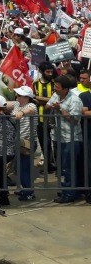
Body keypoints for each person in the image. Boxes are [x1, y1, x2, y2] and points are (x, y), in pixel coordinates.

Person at [46, 74, 83, 203]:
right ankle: (68, 190)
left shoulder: (75, 100)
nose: (55, 89)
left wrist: (60, 109)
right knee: (62, 167)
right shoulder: (56, 96)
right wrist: (51, 106)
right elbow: (47, 105)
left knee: (69, 167)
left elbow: (75, 120)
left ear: (65, 89)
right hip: (58, 137)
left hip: (71, 138)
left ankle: (70, 194)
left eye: (57, 87)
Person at [11, 86, 37, 201]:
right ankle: (25, 188)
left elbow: (30, 110)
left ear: (27, 97)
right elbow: (7, 105)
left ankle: (29, 192)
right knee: (18, 168)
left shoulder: (31, 105)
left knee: (24, 168)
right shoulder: (17, 104)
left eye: (20, 95)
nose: (17, 96)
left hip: (27, 141)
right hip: (18, 140)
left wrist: (22, 112)